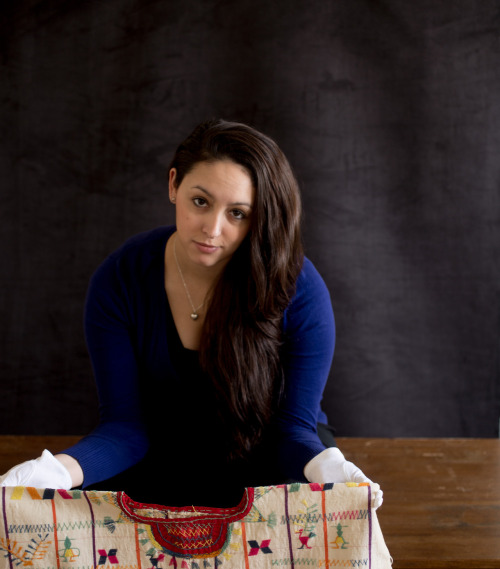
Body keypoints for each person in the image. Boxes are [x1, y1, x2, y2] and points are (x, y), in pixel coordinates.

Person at [0, 119, 382, 509]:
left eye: (238, 214)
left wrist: (328, 467)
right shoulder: (121, 279)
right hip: (160, 448)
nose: (212, 229)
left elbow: (294, 430)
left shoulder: (298, 288)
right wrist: (58, 471)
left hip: (278, 451)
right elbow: (124, 428)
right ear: (173, 186)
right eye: (200, 201)